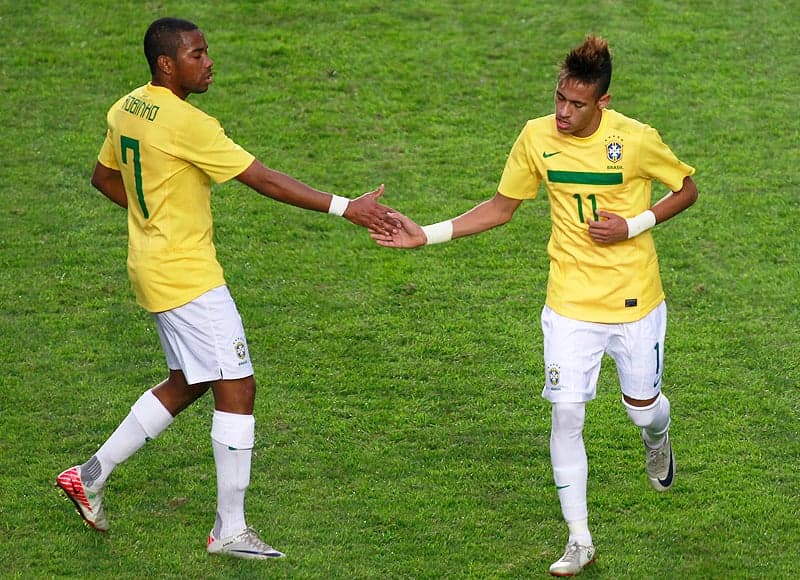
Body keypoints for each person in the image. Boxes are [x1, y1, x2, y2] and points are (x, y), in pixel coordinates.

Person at [55, 17, 397, 561]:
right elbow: (262, 179)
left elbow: (104, 178)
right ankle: (229, 530)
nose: (208, 61)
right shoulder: (189, 123)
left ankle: (87, 476)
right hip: (188, 276)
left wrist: (152, 217)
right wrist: (346, 207)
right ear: (166, 63)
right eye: (196, 54)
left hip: (150, 267)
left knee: (189, 380)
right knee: (237, 387)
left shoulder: (126, 108)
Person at [371, 34, 698, 576]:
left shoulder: (635, 141)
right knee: (566, 413)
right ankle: (579, 540)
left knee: (643, 408)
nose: (563, 113)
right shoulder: (535, 137)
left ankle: (658, 440)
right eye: (559, 100)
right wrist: (425, 235)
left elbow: (686, 187)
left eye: (577, 104)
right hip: (569, 302)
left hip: (635, 300)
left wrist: (632, 225)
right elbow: (501, 208)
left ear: (603, 103)